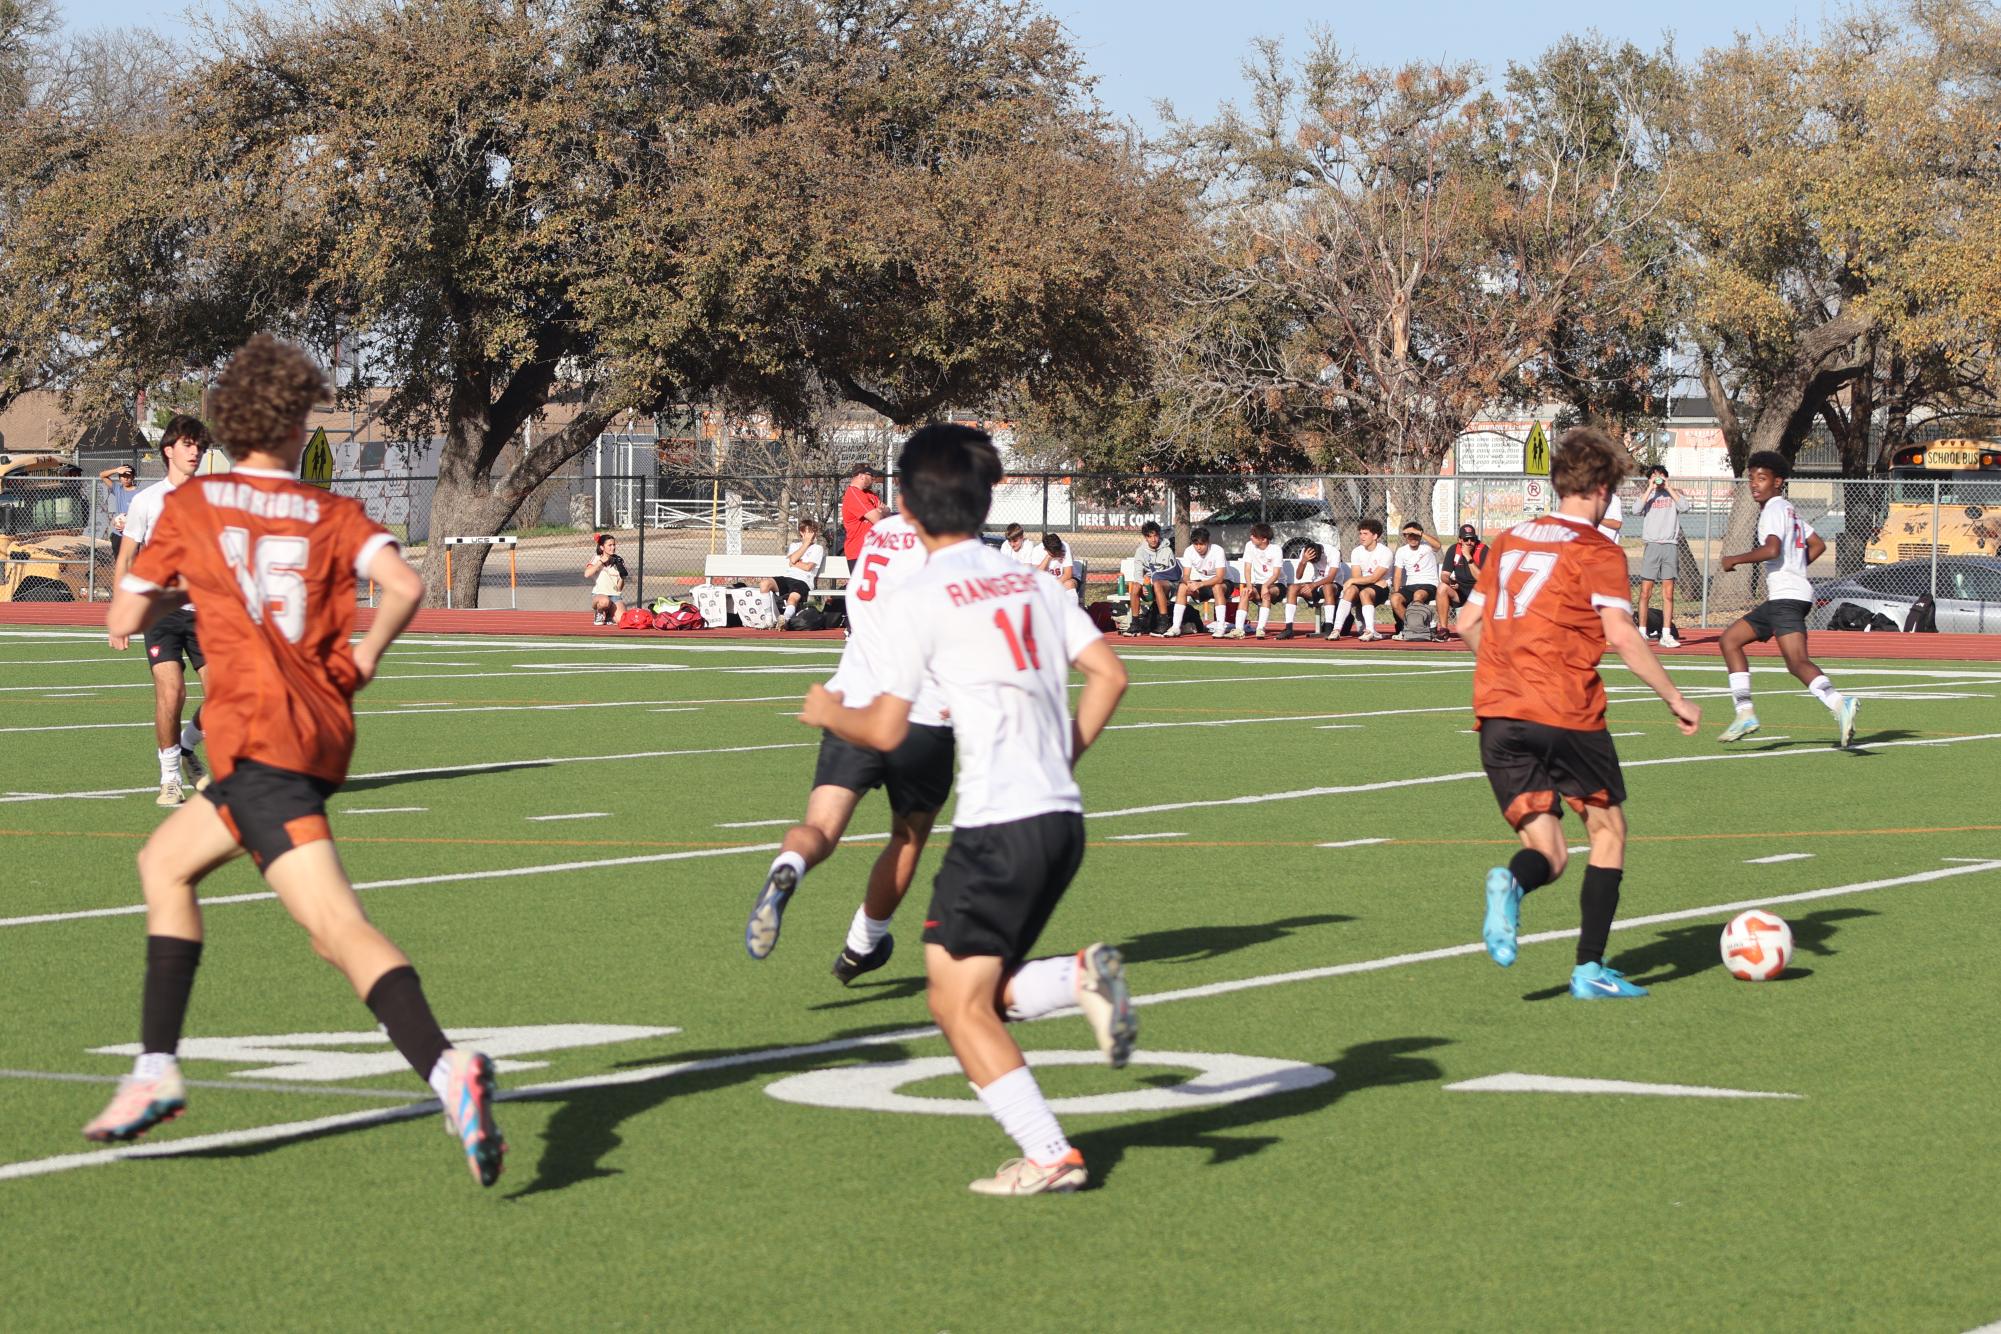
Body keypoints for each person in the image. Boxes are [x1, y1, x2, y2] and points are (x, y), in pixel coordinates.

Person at [86, 334, 505, 1185]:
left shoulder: (194, 508)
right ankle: (154, 1068)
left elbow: (122, 620)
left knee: (336, 929)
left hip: (261, 741)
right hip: (309, 736)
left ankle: (444, 1067)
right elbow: (406, 587)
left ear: (225, 422)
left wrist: (180, 587)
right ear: (295, 423)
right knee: (165, 862)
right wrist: (365, 658)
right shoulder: (332, 512)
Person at [798, 423, 1135, 1196]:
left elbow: (884, 728)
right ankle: (1077, 978)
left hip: (998, 824)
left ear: (906, 511)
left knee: (955, 1006)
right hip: (1060, 819)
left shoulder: (919, 593)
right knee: (966, 989)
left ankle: (1049, 1152)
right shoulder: (1034, 581)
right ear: (986, 500)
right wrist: (1064, 754)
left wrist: (827, 713)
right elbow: (1109, 676)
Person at [1462, 427, 1701, 1000]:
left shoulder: (1508, 540)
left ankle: (1512, 886)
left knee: (1549, 853)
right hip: (1565, 709)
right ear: (1599, 489)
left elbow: (1466, 625)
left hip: (1497, 714)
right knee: (1608, 831)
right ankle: (1590, 969)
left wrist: (1507, 667)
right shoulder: (1598, 551)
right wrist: (1674, 695)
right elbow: (1621, 632)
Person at [745, 480, 974, 980]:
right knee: (908, 838)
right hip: (918, 714)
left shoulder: (881, 534)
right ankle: (862, 945)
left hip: (850, 701)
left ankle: (790, 866)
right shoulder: (957, 549)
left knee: (820, 830)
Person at [1716, 451, 1858, 747]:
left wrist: (1735, 559)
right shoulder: (1789, 510)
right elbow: (1817, 544)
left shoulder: (1772, 510)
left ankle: (1838, 702)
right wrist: (1795, 566)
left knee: (1796, 662)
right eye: (1752, 478)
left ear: (1778, 482)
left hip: (1786, 598)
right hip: (1788, 596)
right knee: (1730, 640)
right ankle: (1745, 713)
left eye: (1762, 478)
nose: (1755, 484)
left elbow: (1771, 550)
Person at [110, 415, 213, 806]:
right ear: (169, 450)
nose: (196, 453)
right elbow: (126, 559)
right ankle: (170, 778)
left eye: (200, 447)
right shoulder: (146, 501)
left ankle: (187, 747)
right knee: (172, 693)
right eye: (189, 445)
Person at [1634, 464, 1689, 648]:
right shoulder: (1648, 495)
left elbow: (1685, 506)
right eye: (1654, 477)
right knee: (1645, 592)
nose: (1658, 480)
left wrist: (1668, 487)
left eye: (1661, 477)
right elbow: (1635, 510)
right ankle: (1641, 631)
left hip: (1669, 546)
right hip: (1652, 546)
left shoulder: (1672, 494)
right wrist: (1650, 488)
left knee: (1668, 593)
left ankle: (1666, 633)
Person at [1327, 519, 1391, 640]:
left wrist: (1352, 581)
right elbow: (1357, 577)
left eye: (1365, 534)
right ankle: (1336, 630)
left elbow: (1374, 577)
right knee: (1350, 591)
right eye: (1360, 533)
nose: (1361, 537)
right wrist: (1357, 581)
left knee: (1364, 592)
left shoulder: (1385, 552)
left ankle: (1370, 631)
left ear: (1375, 536)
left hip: (1381, 589)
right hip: (1366, 585)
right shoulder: (1356, 551)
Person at [755, 517, 825, 626]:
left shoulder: (818, 548)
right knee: (765, 584)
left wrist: (796, 562)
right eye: (810, 532)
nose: (813, 534)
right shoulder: (794, 545)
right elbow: (792, 560)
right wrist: (804, 545)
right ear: (802, 533)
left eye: (814, 531)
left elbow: (807, 567)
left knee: (792, 598)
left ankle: (784, 619)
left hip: (804, 581)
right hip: (788, 577)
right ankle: (768, 620)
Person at [1165, 525, 1228, 637]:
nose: (1198, 547)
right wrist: (1189, 583)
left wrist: (1200, 584)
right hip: (1203, 584)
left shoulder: (1218, 550)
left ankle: (1220, 627)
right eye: (1196, 544)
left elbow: (1219, 578)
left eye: (1202, 544)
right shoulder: (1189, 551)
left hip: (1224, 584)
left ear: (1208, 542)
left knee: (1217, 587)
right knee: (1182, 587)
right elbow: (1185, 575)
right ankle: (1176, 627)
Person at [1230, 522, 1286, 638]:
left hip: (1276, 584)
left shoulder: (1276, 550)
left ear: (1264, 539)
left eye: (1254, 536)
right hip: (1258, 584)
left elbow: (1276, 574)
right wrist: (1249, 585)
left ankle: (1260, 629)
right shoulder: (1249, 546)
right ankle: (1239, 629)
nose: (1251, 537)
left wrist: (1266, 586)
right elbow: (1247, 568)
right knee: (1245, 592)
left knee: (1267, 593)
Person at [1124, 520, 1180, 635]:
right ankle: (1135, 623)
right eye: (1150, 536)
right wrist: (1144, 584)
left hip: (1167, 586)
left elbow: (1173, 574)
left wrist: (1154, 580)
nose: (1153, 539)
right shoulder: (1140, 552)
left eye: (1155, 536)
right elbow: (1138, 573)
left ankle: (1164, 622)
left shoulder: (1167, 550)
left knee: (1157, 583)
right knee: (1135, 586)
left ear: (1159, 535)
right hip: (1148, 586)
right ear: (1145, 538)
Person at [1278, 540, 1340, 639]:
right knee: (1293, 588)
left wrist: (1313, 585)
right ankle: (1288, 629)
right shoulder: (1306, 551)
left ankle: (1329, 629)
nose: (1314, 563)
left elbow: (1331, 577)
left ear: (1321, 554)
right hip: (1316, 585)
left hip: (1334, 585)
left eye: (1315, 560)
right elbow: (1298, 576)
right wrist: (1303, 561)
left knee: (1327, 587)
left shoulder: (1333, 552)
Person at [1389, 522, 1443, 628]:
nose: (1412, 538)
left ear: (1420, 535)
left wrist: (1419, 532)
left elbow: (1438, 545)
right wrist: (1397, 591)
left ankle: (1420, 625)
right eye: (1409, 535)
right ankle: (1412, 626)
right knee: (1395, 599)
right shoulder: (1401, 551)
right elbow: (1397, 575)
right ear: (1405, 537)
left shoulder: (1427, 546)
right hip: (1410, 586)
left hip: (1429, 585)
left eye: (1415, 535)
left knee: (1418, 595)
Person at [1441, 524, 1489, 624]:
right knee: (1442, 588)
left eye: (1472, 539)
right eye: (1466, 539)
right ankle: (1443, 630)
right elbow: (1444, 575)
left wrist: (1468, 557)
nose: (1469, 542)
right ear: (1460, 540)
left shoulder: (1483, 550)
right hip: (1460, 591)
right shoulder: (1453, 550)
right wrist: (1450, 581)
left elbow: (1482, 579)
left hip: (1479, 592)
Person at [840, 466, 886, 563]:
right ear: (861, 476)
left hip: (874, 550)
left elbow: (887, 510)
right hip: (859, 552)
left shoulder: (869, 494)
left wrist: (881, 511)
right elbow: (877, 519)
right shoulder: (854, 494)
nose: (873, 479)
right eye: (871, 476)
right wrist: (879, 511)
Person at [98, 464, 139, 564]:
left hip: (132, 535)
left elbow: (142, 516)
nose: (125, 478)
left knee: (132, 564)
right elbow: (102, 475)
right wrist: (116, 470)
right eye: (123, 476)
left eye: (128, 476)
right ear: (120, 478)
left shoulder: (139, 493)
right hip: (118, 535)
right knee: (119, 564)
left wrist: (128, 525)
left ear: (133, 477)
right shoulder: (118, 489)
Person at [585, 534, 627, 625]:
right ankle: (599, 612)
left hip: (614, 596)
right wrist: (600, 562)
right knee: (604, 601)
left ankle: (609, 615)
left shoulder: (618, 560)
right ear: (602, 547)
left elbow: (619, 588)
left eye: (614, 545)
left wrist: (622, 577)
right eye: (610, 545)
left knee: (621, 620)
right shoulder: (597, 558)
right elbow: (587, 574)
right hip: (600, 595)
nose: (613, 547)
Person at [1033, 531, 1078, 596]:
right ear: (1045, 549)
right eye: (1053, 553)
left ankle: (1072, 606)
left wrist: (1054, 585)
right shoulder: (1037, 550)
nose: (1057, 554)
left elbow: (1068, 574)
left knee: (1069, 584)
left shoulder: (1064, 546)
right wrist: (1048, 557)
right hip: (1047, 583)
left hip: (1065, 580)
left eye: (1058, 552)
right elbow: (1036, 575)